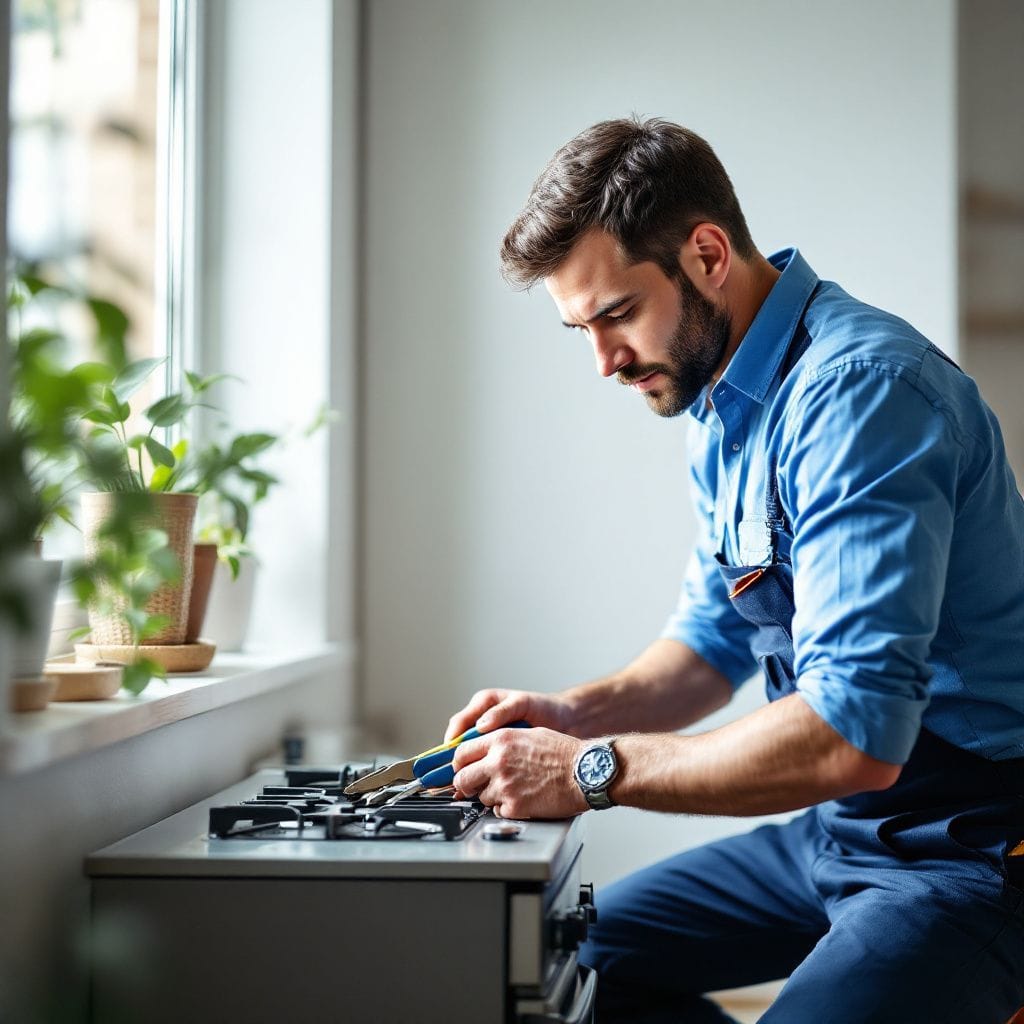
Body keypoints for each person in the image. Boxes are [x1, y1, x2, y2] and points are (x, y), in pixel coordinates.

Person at [443, 117, 1024, 1023]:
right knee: (577, 959)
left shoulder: (861, 392)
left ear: (707, 254)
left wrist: (587, 768)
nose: (604, 362)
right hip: (839, 833)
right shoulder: (724, 408)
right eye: (581, 331)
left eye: (617, 315)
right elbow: (705, 653)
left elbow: (854, 735)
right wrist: (566, 716)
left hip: (969, 854)